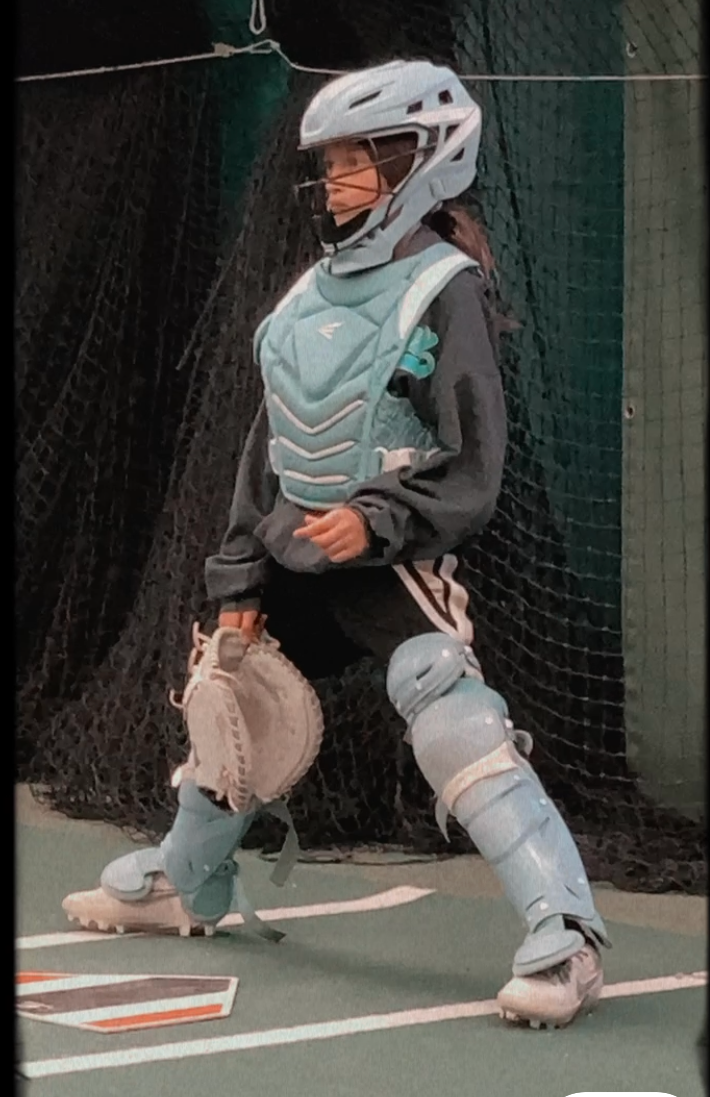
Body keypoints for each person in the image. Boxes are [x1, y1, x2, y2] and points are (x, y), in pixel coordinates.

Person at [62, 58, 610, 1028]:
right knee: (230, 692)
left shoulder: (444, 289)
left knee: (446, 707)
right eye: (331, 162)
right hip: (295, 550)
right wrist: (240, 578)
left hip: (389, 561)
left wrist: (379, 515)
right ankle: (190, 877)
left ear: (422, 158)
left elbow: (472, 462)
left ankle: (563, 927)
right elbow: (266, 451)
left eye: (359, 159)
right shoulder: (304, 300)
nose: (337, 180)